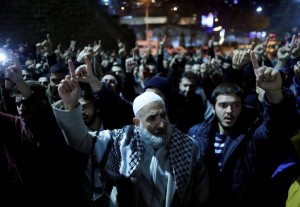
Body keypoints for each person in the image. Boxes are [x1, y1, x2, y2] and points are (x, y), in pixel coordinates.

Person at [52, 57, 210, 207]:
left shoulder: (188, 146)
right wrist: (71, 106)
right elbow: (81, 142)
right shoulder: (121, 141)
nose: (161, 123)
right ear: (137, 122)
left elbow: (201, 196)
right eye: (152, 118)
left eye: (163, 115)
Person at [188, 51, 298, 207]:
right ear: (212, 108)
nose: (229, 111)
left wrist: (274, 93)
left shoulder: (252, 133)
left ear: (243, 107)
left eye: (236, 105)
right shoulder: (196, 134)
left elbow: (275, 127)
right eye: (223, 105)